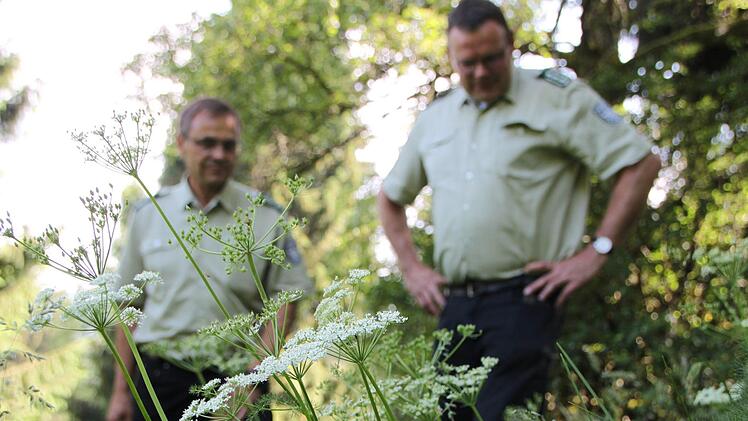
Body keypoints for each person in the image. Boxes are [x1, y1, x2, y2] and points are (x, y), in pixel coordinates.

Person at [377, 0, 661, 418]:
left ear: (511, 44)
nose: (480, 72)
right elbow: (390, 197)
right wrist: (412, 268)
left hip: (524, 298)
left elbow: (640, 162)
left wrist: (597, 251)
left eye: (491, 58)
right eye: (467, 62)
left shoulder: (558, 97)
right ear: (452, 58)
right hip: (454, 306)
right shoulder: (435, 118)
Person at [106, 98, 313, 421]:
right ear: (181, 144)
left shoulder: (267, 215)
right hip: (161, 381)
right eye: (207, 143)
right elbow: (128, 309)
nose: (219, 154)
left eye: (228, 145)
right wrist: (121, 392)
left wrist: (254, 377)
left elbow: (287, 299)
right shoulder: (148, 214)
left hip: (241, 380)